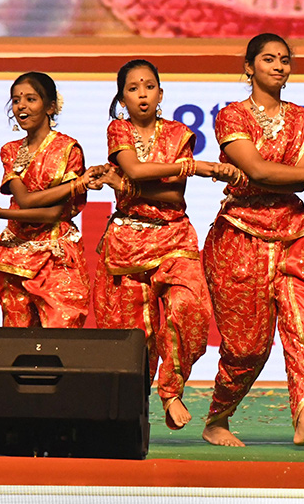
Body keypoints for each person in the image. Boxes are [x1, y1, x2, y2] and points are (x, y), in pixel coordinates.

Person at [201, 33, 304, 447]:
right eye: (268, 59)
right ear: (249, 67)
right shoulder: (231, 116)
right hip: (239, 235)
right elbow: (262, 172)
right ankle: (217, 419)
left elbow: (289, 180)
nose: (279, 66)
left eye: (284, 59)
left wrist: (301, 174)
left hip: (295, 232)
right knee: (247, 346)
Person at [92, 59, 235, 431]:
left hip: (173, 236)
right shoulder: (118, 130)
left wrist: (120, 185)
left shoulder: (179, 133)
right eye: (133, 88)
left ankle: (171, 390)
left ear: (160, 93)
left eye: (149, 86)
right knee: (134, 340)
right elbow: (137, 169)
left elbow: (172, 194)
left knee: (190, 307)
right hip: (126, 243)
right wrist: (193, 166)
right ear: (122, 97)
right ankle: (128, 421)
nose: (142, 94)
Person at [0, 72, 102, 329]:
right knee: (17, 345)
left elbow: (52, 214)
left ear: (50, 106)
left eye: (30, 99)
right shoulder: (10, 151)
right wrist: (77, 184)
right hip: (13, 257)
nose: (21, 106)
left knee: (59, 341)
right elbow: (25, 199)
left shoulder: (68, 149)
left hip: (56, 257)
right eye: (16, 100)